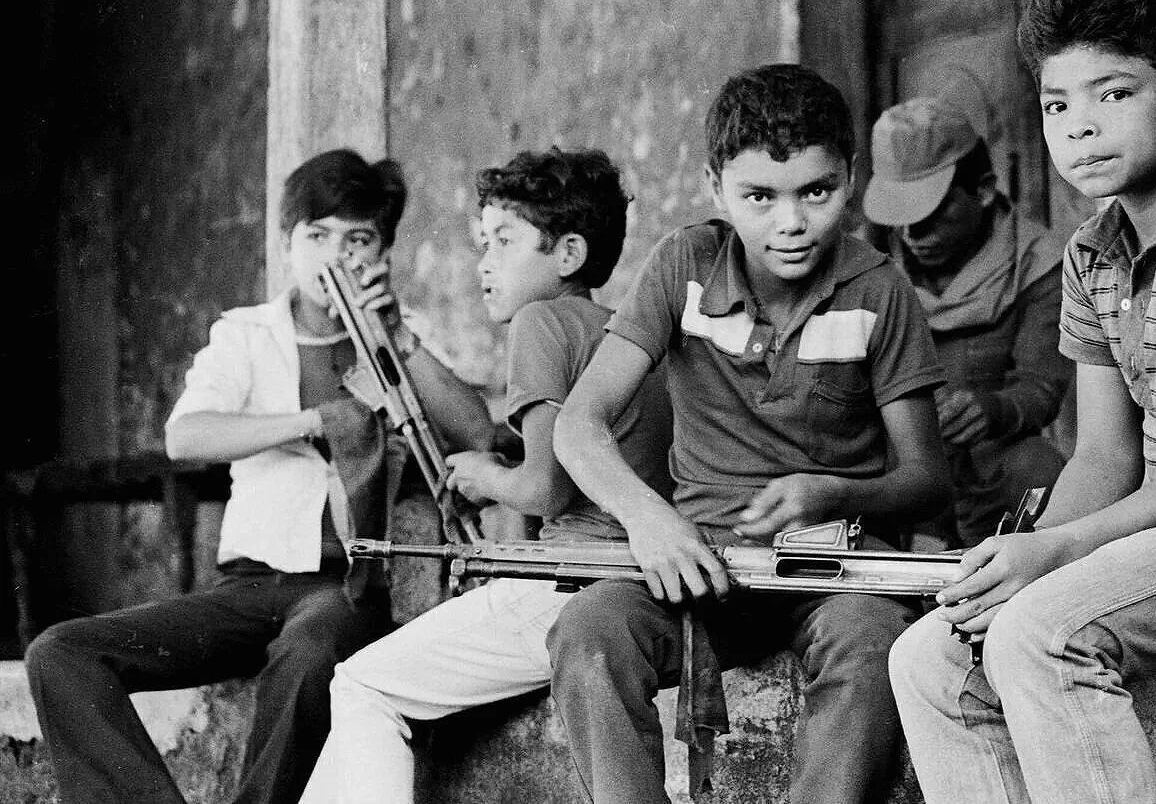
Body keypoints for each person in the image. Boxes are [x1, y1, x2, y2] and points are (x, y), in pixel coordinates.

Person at [887, 0, 1156, 804]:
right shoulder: (1088, 253)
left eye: (1115, 94)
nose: (1080, 127)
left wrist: (1062, 549)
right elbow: (1105, 455)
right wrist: (1014, 558)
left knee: (1037, 634)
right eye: (1056, 104)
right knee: (929, 652)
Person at [25, 149, 496, 804]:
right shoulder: (246, 335)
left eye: (357, 238)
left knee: (308, 655)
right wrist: (310, 421)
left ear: (381, 252)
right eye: (317, 235)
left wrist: (395, 338)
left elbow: (477, 431)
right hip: (244, 590)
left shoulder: (397, 340)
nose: (337, 255)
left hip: (344, 590)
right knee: (60, 652)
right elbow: (186, 434)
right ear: (286, 244)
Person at [548, 63, 949, 804]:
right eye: (759, 197)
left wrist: (832, 491)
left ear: (851, 178)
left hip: (836, 575)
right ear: (714, 187)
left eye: (816, 192)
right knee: (589, 628)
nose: (790, 223)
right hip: (701, 563)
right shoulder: (683, 267)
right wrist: (650, 520)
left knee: (873, 647)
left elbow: (927, 474)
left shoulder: (880, 291)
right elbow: (578, 425)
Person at [297, 147, 672, 804]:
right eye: (481, 244)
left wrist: (480, 474)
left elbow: (544, 488)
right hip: (628, 590)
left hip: (569, 583)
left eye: (504, 240)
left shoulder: (540, 321)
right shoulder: (621, 334)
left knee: (359, 685)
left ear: (568, 255)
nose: (485, 263)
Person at [862, 97, 1072, 546]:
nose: (911, 236)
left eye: (929, 215)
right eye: (900, 218)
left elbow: (1040, 386)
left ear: (983, 189)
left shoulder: (1037, 264)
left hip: (989, 465)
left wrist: (992, 410)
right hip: (892, 466)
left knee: (1038, 474)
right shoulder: (866, 266)